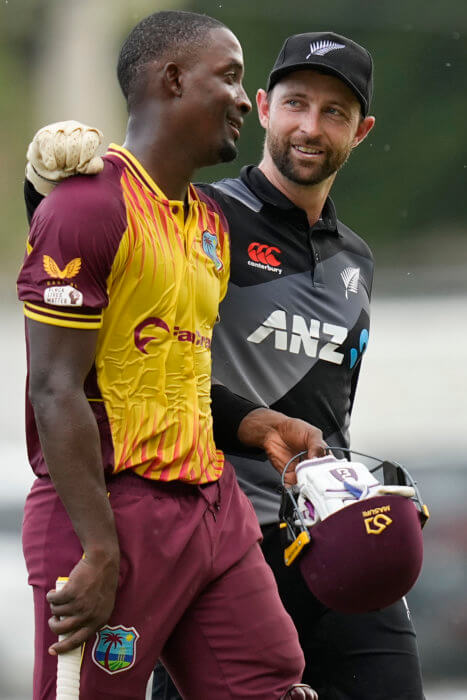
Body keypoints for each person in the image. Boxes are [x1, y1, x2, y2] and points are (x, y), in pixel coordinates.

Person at [24, 30, 426, 700]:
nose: (308, 125)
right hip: (172, 513)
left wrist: (275, 435)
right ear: (268, 108)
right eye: (294, 103)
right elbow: (77, 279)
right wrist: (40, 189)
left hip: (304, 532)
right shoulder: (205, 212)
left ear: (361, 132)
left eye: (334, 112)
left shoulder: (351, 257)